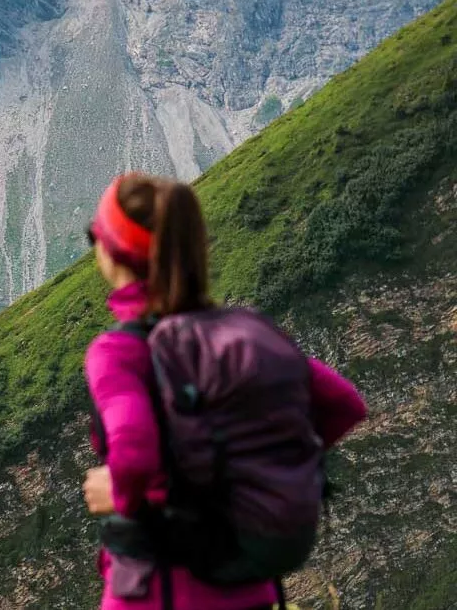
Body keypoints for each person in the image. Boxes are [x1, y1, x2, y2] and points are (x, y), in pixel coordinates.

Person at [82, 173, 367, 610]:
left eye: (95, 235)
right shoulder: (237, 337)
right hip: (248, 585)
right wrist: (256, 470)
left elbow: (135, 451)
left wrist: (118, 492)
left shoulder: (118, 353)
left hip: (159, 591)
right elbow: (343, 404)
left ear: (114, 251)